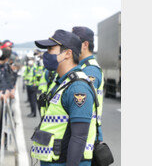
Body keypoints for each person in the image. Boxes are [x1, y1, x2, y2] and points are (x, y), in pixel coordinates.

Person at [31, 29, 99, 166]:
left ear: (67, 53)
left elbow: (79, 137)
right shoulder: (62, 82)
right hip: (53, 160)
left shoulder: (77, 88)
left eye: (50, 49)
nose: (46, 54)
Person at [72, 26, 104, 142]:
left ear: (85, 45)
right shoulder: (81, 66)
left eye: (74, 42)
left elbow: (84, 106)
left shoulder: (90, 69)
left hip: (86, 137)